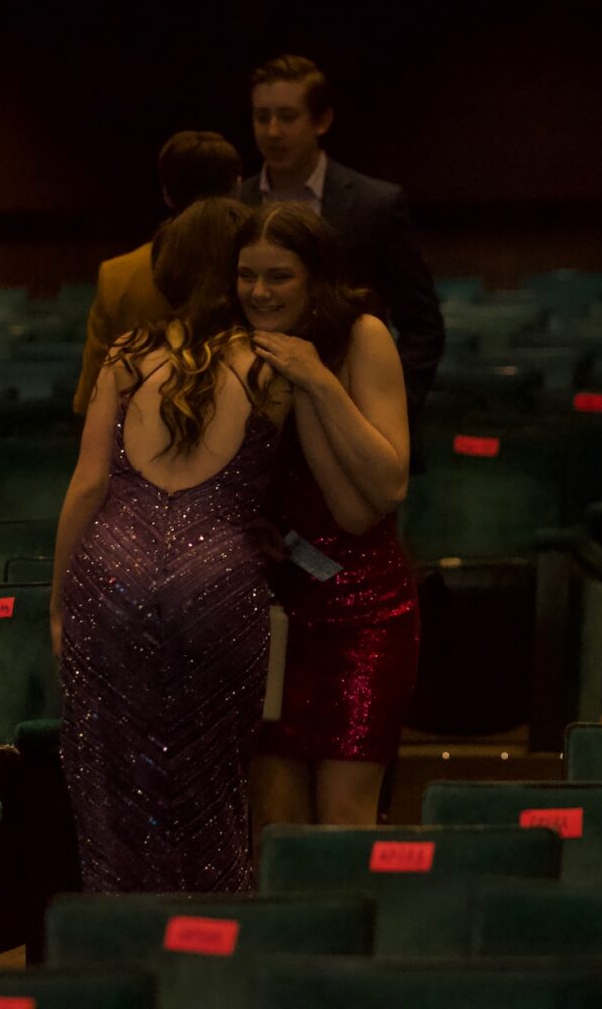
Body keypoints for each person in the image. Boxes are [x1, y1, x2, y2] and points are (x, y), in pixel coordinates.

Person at [52, 196, 292, 892]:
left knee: (110, 788)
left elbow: (87, 486)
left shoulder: (129, 355)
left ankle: (123, 938)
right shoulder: (271, 364)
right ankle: (209, 940)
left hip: (110, 573)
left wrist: (58, 602)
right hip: (220, 579)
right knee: (214, 787)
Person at [238, 202, 419, 830]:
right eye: (247, 275)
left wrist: (317, 380)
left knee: (344, 817)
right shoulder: (237, 350)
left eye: (278, 276)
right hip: (272, 607)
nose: (259, 292)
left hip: (364, 605)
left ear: (315, 278)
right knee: (275, 822)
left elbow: (382, 490)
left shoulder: (363, 335)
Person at [239, 55, 444, 424]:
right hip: (253, 413)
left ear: (322, 121)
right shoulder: (236, 204)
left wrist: (394, 406)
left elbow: (422, 324)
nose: (272, 131)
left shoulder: (375, 204)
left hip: (353, 409)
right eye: (261, 116)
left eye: (287, 116)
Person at [72, 130, 242, 412]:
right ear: (237, 187)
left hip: (140, 426)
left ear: (166, 193)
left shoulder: (117, 276)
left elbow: (91, 397)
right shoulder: (260, 269)